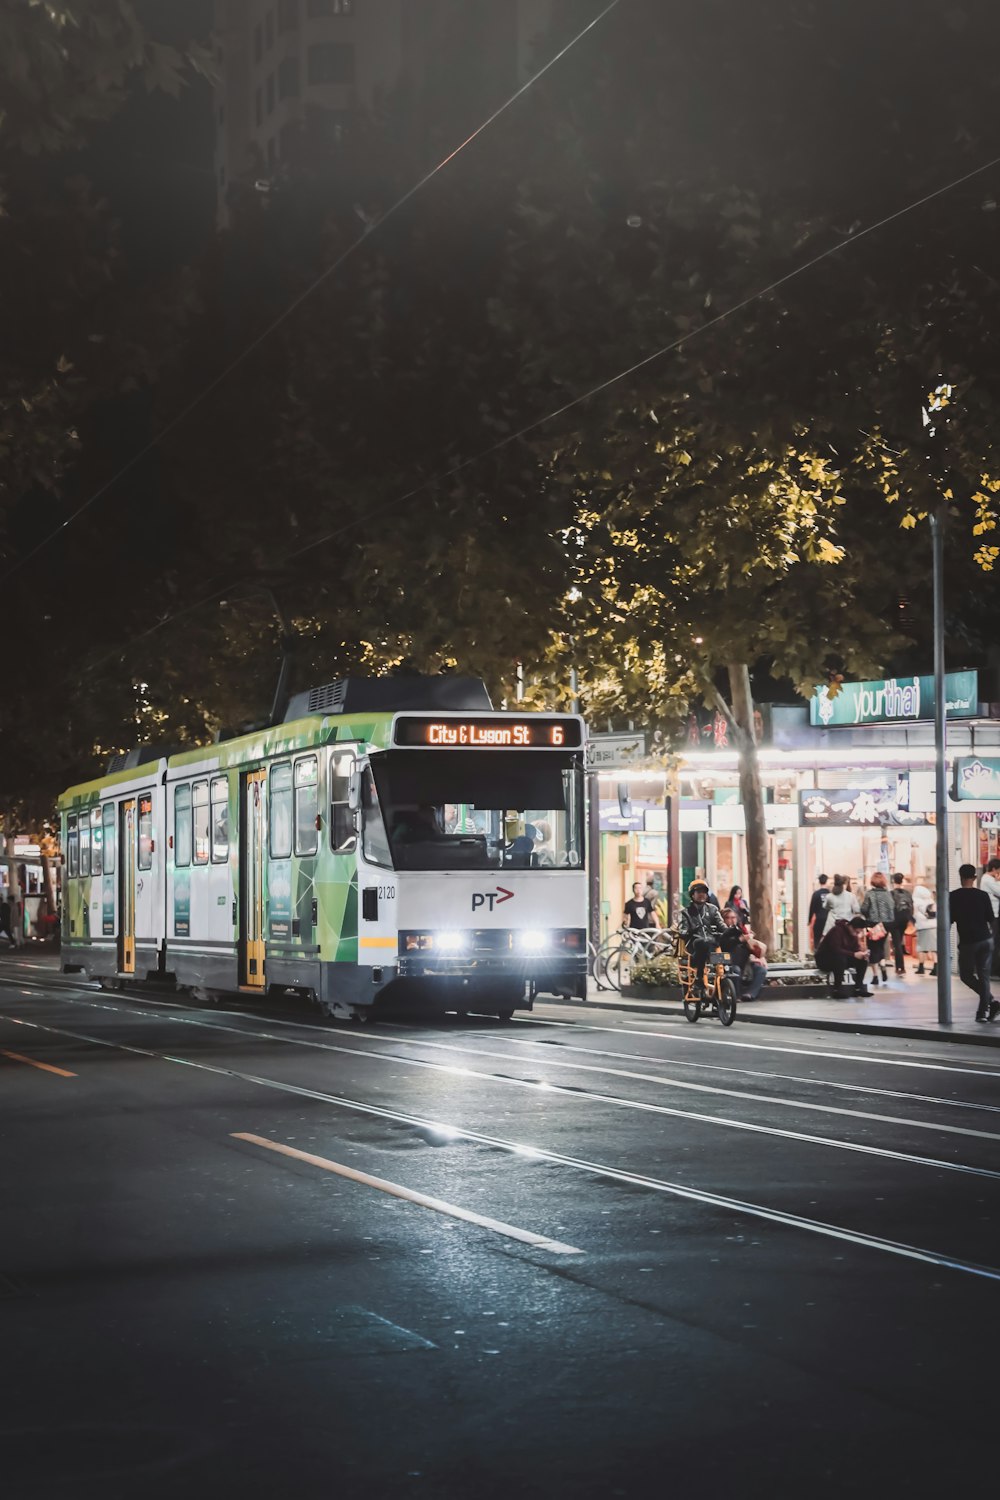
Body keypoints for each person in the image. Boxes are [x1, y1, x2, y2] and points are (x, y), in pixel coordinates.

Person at [949, 863, 999, 1023]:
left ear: (960, 876)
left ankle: (988, 1005)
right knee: (984, 977)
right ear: (975, 877)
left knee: (966, 975)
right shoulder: (983, 895)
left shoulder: (953, 896)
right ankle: (985, 1009)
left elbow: (949, 921)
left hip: (968, 942)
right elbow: (991, 919)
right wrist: (991, 937)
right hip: (985, 939)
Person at [678, 879, 728, 997]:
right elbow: (683, 928)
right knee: (702, 942)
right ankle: (699, 979)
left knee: (729, 942)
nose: (702, 894)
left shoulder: (713, 909)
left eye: (704, 892)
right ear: (692, 894)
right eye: (698, 891)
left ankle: (725, 982)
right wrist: (686, 931)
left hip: (711, 944)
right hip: (694, 946)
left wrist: (730, 932)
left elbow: (721, 925)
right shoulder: (686, 912)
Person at [816, 915, 872, 998]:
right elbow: (835, 949)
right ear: (851, 927)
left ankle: (858, 988)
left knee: (863, 960)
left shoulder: (853, 935)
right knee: (840, 959)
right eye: (856, 932)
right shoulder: (836, 931)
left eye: (858, 933)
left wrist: (862, 954)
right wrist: (854, 954)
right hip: (825, 960)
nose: (857, 934)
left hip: (842, 958)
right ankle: (837, 989)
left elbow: (855, 949)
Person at [721, 907, 768, 999]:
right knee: (736, 970)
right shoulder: (722, 933)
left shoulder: (740, 930)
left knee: (761, 970)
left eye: (734, 917)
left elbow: (751, 948)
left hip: (744, 963)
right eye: (728, 917)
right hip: (728, 964)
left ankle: (750, 993)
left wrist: (760, 957)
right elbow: (725, 945)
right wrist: (739, 939)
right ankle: (736, 996)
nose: (732, 920)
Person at [861, 871, 895, 986]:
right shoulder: (888, 894)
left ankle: (875, 976)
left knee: (872, 949)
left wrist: (867, 916)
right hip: (886, 924)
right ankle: (883, 966)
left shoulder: (869, 894)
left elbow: (864, 909)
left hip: (872, 924)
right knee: (881, 946)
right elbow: (892, 907)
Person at [889, 872, 914, 976]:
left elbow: (890, 908)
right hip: (904, 919)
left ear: (893, 881)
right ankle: (900, 966)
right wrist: (909, 918)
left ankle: (900, 967)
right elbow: (912, 906)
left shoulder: (891, 893)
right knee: (899, 941)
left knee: (897, 943)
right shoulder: (907, 893)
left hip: (895, 919)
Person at [912, 878, 937, 975]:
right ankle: (936, 967)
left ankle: (921, 967)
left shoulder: (915, 902)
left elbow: (914, 914)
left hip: (923, 927)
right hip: (934, 926)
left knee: (922, 948)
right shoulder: (931, 900)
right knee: (934, 948)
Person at [980, 856, 1000, 976]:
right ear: (993, 869)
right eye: (998, 871)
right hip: (993, 915)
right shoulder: (988, 879)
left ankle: (992, 969)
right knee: (992, 943)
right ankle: (990, 969)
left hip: (994, 915)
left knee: (994, 943)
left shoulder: (989, 879)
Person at [808, 874, 831, 951]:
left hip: (819, 920)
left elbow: (812, 908)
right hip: (829, 920)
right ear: (826, 881)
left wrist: (809, 920)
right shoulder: (830, 894)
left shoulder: (816, 894)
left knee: (817, 938)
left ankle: (818, 953)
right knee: (828, 938)